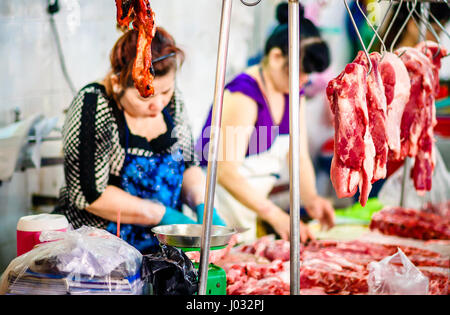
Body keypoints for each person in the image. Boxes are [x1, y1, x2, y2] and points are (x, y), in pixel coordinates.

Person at [53, 27, 225, 254]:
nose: (158, 105)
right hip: (100, 254)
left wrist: (204, 204)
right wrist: (162, 215)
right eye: (146, 96)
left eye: (165, 92)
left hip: (163, 248)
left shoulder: (172, 103)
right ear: (117, 83)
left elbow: (188, 163)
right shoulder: (94, 104)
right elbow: (89, 195)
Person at [195, 2, 335, 244]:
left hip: (248, 211)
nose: (303, 80)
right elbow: (225, 172)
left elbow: (298, 155)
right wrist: (276, 216)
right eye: (299, 71)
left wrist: (311, 199)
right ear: (276, 56)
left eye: (307, 75)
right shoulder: (245, 93)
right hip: (217, 210)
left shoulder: (294, 91)